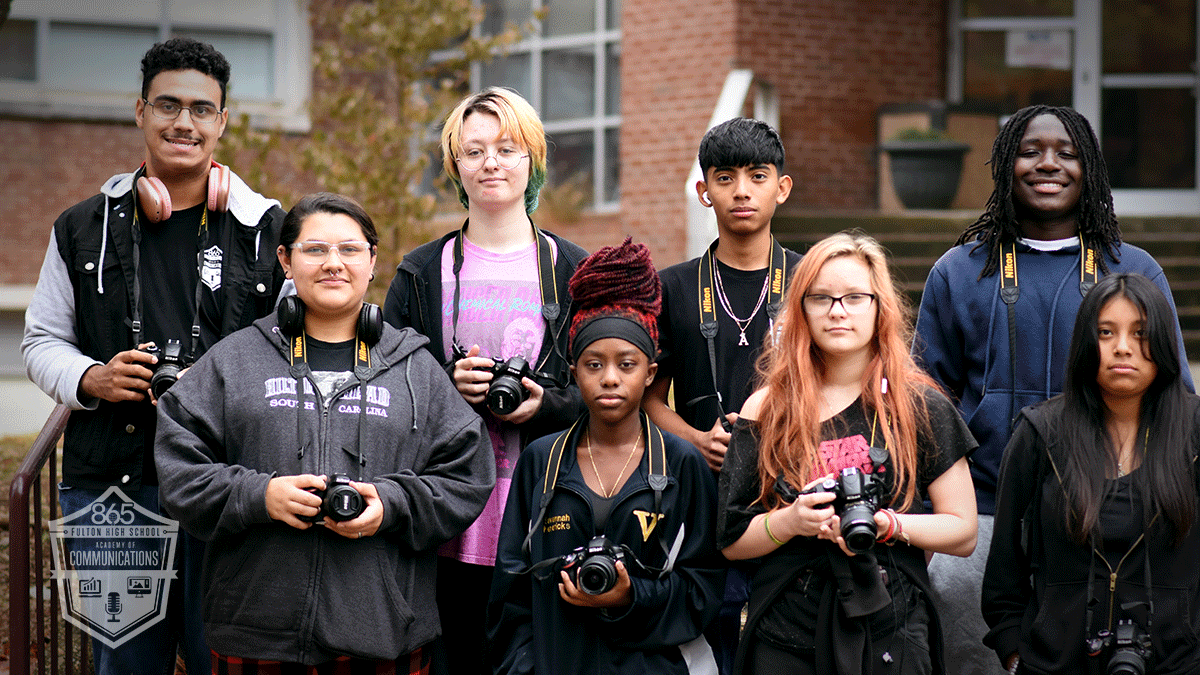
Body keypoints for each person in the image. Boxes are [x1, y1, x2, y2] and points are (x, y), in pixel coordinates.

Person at [21, 37, 287, 675]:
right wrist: (93, 377)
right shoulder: (83, 226)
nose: (183, 123)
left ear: (222, 123)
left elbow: (297, 346)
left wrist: (225, 381)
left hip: (232, 487)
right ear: (140, 112)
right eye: (168, 105)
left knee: (226, 663)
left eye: (201, 109)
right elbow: (40, 339)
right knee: (124, 667)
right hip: (115, 489)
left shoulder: (270, 231)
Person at [155, 192, 495, 670]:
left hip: (383, 633)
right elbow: (178, 474)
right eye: (315, 249)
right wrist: (260, 496)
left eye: (350, 250)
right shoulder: (234, 360)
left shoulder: (416, 369)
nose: (333, 263)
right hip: (255, 633)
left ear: (372, 261)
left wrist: (391, 505)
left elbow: (467, 477)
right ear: (285, 261)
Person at [912, 105, 1192, 674]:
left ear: (1089, 167)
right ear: (1006, 164)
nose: (1048, 164)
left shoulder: (1132, 271)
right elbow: (923, 410)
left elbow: (1175, 401)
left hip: (1108, 516)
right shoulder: (959, 270)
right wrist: (929, 517)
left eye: (1066, 152)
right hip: (982, 517)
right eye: (1030, 150)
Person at [382, 86, 588, 675]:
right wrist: (449, 385)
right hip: (447, 525)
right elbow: (386, 388)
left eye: (507, 147)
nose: (490, 162)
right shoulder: (421, 271)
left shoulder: (572, 270)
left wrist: (544, 404)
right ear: (455, 167)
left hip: (548, 517)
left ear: (533, 160)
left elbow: (609, 394)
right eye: (473, 152)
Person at [719, 231, 978, 674]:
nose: (838, 311)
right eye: (821, 298)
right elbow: (731, 541)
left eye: (855, 297)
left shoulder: (918, 404)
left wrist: (888, 524)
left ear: (880, 307)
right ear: (801, 310)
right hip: (787, 634)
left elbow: (963, 531)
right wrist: (792, 520)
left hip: (891, 626)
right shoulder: (766, 407)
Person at [488, 238, 725, 675]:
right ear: (573, 370)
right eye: (594, 365)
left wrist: (631, 596)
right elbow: (510, 593)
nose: (610, 379)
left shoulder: (681, 465)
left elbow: (704, 590)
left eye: (627, 365)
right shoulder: (541, 462)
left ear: (651, 372)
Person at [982, 273, 1200, 674]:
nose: (1122, 347)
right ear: (1085, 341)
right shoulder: (1040, 433)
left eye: (1141, 333)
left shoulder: (1195, 432)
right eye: (1105, 332)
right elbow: (1003, 571)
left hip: (1177, 664)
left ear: (1165, 342)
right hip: (1056, 664)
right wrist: (1014, 653)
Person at [645, 116, 801, 674]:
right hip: (698, 503)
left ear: (781, 187)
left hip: (791, 498)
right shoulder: (673, 286)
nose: (741, 190)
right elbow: (646, 397)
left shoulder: (810, 282)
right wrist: (696, 439)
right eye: (725, 176)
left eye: (757, 176)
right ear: (703, 190)